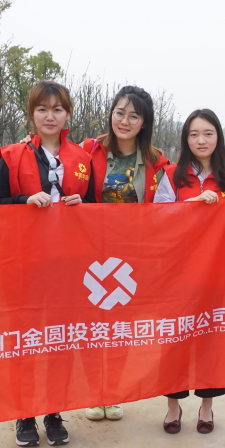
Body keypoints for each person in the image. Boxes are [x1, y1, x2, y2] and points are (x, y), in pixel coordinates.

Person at [0, 80, 94, 448]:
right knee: (26, 337)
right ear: (31, 114)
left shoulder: (82, 159)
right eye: (42, 109)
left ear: (68, 114)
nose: (50, 116)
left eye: (57, 109)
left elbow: (96, 210)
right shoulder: (11, 155)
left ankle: (54, 410)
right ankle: (25, 412)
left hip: (69, 264)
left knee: (60, 339)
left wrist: (83, 207)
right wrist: (24, 200)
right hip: (25, 262)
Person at [152, 108, 225, 434]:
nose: (201, 140)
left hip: (216, 270)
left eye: (208, 133)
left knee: (210, 337)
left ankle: (207, 405)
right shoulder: (172, 175)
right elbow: (157, 216)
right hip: (176, 270)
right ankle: (173, 405)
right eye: (194, 134)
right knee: (174, 338)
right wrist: (191, 205)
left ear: (218, 136)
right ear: (185, 139)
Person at [80, 85, 170, 421]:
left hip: (132, 257)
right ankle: (94, 392)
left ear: (144, 122)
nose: (125, 121)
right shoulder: (88, 151)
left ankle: (113, 392)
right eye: (120, 113)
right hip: (90, 254)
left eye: (134, 116)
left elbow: (171, 205)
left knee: (121, 326)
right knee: (91, 325)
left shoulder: (158, 162)